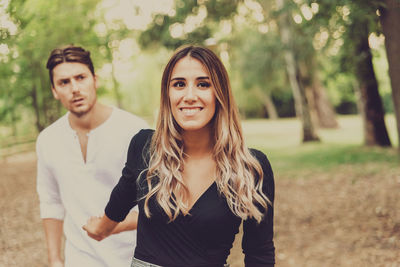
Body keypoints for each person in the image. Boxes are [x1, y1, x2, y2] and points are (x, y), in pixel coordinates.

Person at [83, 45, 275, 267]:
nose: (189, 96)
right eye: (179, 84)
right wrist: (101, 228)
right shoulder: (145, 147)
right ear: (168, 94)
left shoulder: (251, 168)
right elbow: (119, 202)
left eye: (203, 84)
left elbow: (259, 254)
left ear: (219, 93)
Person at [36, 45, 148, 267]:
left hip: (135, 257)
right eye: (64, 82)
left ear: (94, 80)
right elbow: (51, 202)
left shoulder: (135, 131)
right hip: (80, 259)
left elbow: (154, 206)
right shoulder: (47, 140)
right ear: (54, 91)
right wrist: (55, 259)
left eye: (80, 77)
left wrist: (109, 226)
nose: (74, 88)